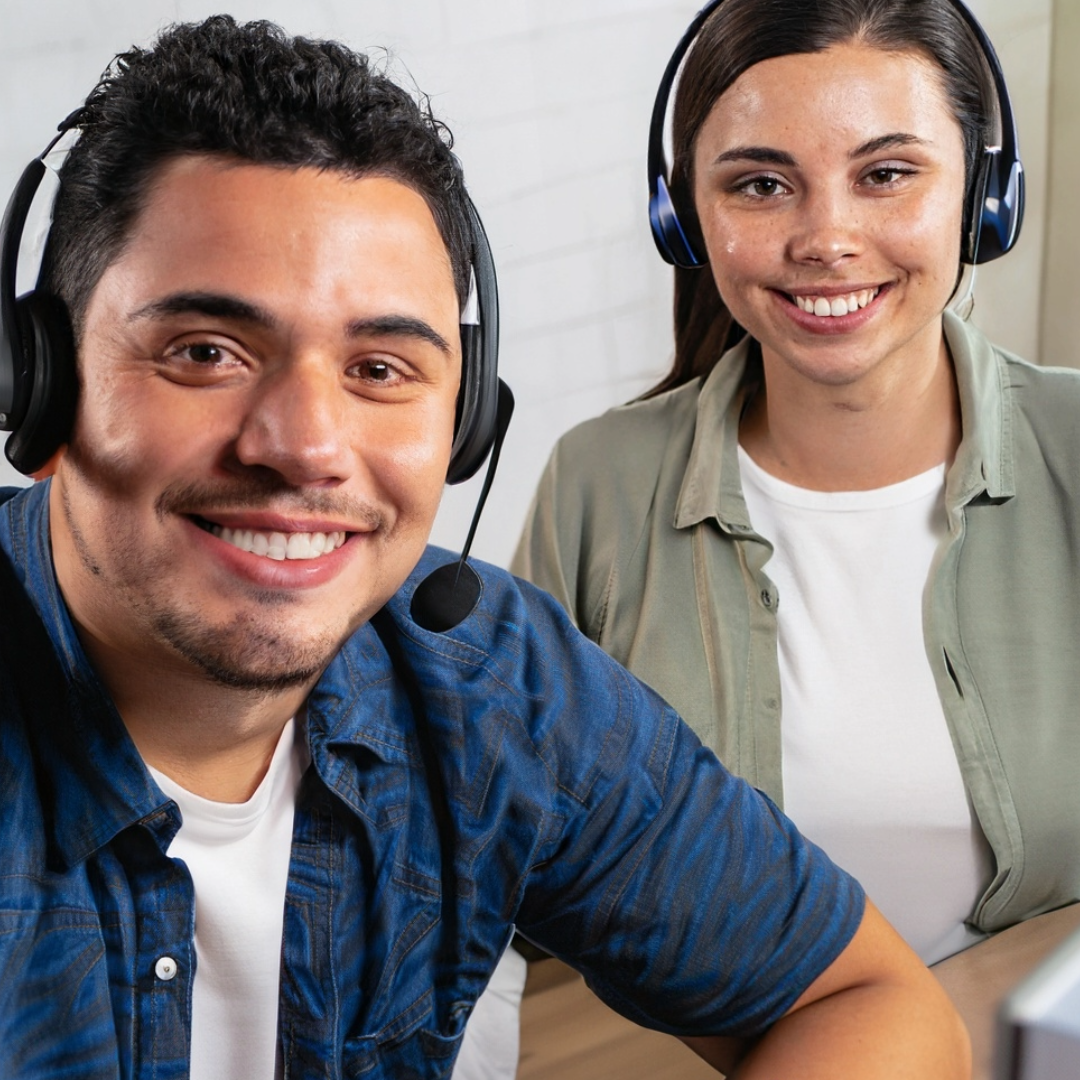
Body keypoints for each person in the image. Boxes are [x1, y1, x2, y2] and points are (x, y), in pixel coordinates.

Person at [0, 14, 969, 1080]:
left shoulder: (488, 683)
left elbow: (861, 998)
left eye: (379, 370)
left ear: (463, 431)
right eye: (206, 351)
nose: (308, 447)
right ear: (40, 387)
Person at [515, 0, 1080, 976]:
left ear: (984, 199)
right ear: (683, 215)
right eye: (763, 183)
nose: (826, 237)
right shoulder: (596, 486)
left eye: (887, 174)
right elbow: (520, 870)